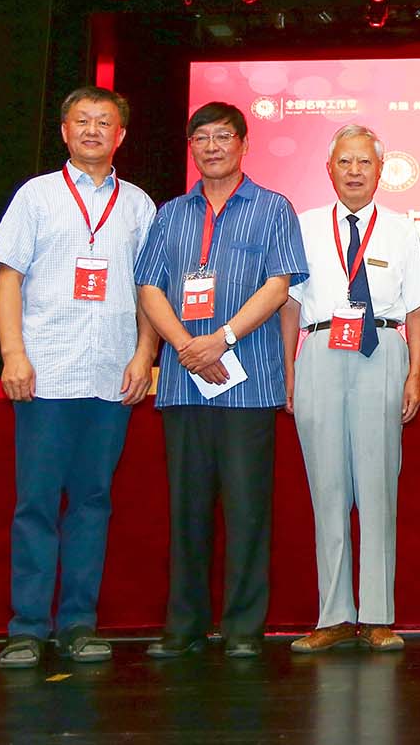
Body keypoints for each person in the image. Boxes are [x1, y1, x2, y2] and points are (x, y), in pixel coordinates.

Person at [0, 87, 158, 668]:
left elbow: (149, 290)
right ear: (63, 131)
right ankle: (27, 627)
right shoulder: (35, 196)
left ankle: (79, 622)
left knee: (92, 502)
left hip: (112, 376)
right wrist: (13, 353)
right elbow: (7, 278)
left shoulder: (138, 205)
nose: (91, 130)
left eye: (103, 122)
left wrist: (145, 354)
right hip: (45, 374)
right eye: (81, 121)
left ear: (120, 135)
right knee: (35, 504)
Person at [134, 102, 307, 660]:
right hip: (183, 382)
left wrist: (223, 338)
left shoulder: (273, 207)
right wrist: (187, 347)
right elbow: (149, 287)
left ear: (244, 144)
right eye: (201, 138)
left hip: (248, 382)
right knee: (186, 510)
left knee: (247, 510)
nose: (211, 147)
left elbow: (279, 285)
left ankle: (242, 629)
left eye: (222, 136)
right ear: (191, 147)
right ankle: (184, 625)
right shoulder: (171, 213)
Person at [281, 125, 420, 654]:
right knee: (327, 489)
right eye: (344, 162)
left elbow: (417, 308)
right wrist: (288, 372)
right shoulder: (304, 225)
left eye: (364, 162)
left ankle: (378, 615)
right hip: (320, 350)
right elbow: (289, 305)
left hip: (382, 351)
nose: (354, 171)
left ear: (380, 170)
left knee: (378, 486)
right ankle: (334, 615)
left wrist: (415, 375)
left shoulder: (402, 229)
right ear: (329, 169)